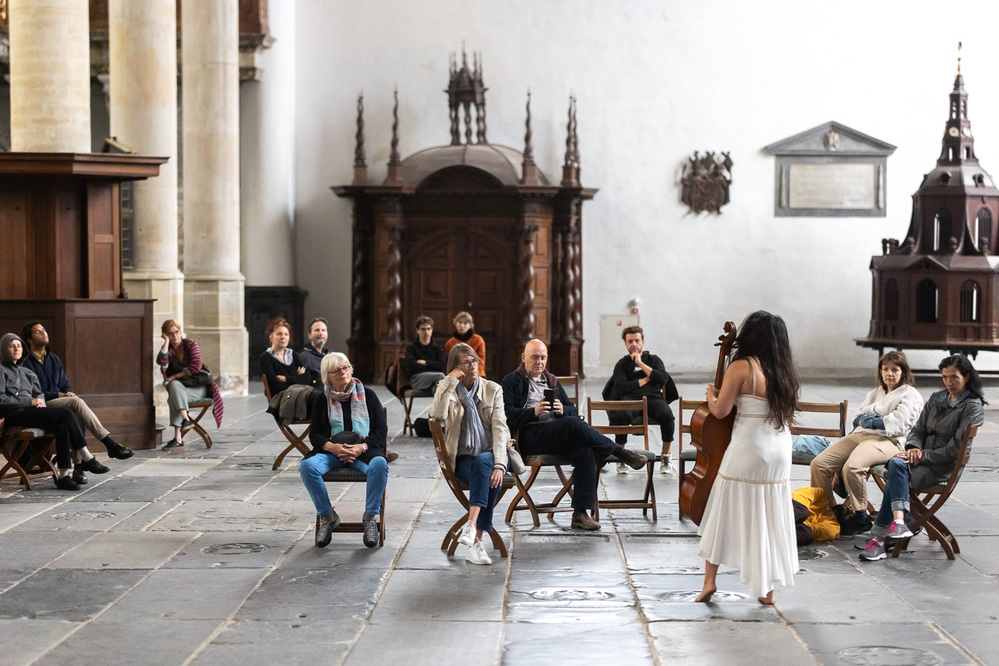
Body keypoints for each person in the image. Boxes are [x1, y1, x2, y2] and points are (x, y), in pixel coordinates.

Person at [696, 311, 800, 605]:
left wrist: (711, 394)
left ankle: (709, 581)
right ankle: (767, 591)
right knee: (769, 515)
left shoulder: (742, 367)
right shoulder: (784, 370)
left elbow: (720, 411)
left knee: (722, 509)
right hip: (780, 449)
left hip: (749, 447)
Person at [500, 339, 648, 531]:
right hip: (528, 436)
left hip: (556, 434)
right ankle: (620, 452)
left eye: (543, 357)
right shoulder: (511, 381)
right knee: (571, 424)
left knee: (586, 450)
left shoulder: (551, 380)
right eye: (534, 357)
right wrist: (533, 412)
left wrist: (563, 410)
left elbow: (573, 410)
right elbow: (506, 415)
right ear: (523, 357)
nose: (539, 362)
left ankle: (580, 514)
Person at [859, 355, 986, 562]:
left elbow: (954, 451)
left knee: (895, 475)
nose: (949, 382)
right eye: (944, 377)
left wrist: (922, 455)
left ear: (967, 376)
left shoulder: (972, 407)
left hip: (943, 466)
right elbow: (917, 430)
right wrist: (913, 448)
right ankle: (897, 525)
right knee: (896, 464)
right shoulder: (937, 398)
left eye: (954, 377)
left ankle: (880, 538)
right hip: (919, 460)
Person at [809, 351, 923, 536]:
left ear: (903, 372)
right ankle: (828, 512)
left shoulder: (910, 394)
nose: (889, 374)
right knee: (819, 464)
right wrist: (876, 419)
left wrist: (870, 420)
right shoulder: (875, 393)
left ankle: (860, 517)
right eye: (885, 369)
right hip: (861, 435)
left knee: (853, 467)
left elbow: (897, 424)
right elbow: (857, 418)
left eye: (895, 369)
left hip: (888, 440)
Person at [429, 343, 509, 564]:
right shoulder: (450, 390)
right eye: (466, 362)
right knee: (484, 473)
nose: (473, 365)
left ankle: (472, 528)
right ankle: (477, 542)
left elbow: (500, 429)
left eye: (475, 360)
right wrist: (449, 381)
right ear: (456, 367)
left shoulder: (493, 389)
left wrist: (500, 465)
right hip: (464, 458)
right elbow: (436, 413)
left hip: (494, 454)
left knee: (485, 463)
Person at [299, 352, 388, 549]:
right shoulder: (321, 399)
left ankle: (370, 518)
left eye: (346, 367)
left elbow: (381, 431)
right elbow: (315, 434)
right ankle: (328, 516)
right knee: (307, 466)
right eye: (337, 370)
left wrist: (361, 447)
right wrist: (333, 447)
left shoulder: (368, 395)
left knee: (380, 464)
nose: (343, 372)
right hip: (331, 452)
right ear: (327, 376)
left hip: (363, 451)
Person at [0, 333, 110, 490]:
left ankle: (64, 475)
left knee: (62, 427)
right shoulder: (1, 370)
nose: (16, 349)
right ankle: (86, 457)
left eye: (19, 346)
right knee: (66, 413)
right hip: (13, 415)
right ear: (5, 349)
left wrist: (40, 402)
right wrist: (31, 402)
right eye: (11, 346)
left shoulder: (28, 373)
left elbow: (39, 394)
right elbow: (2, 400)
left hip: (32, 412)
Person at [19, 322, 133, 472]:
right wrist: (59, 394)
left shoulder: (54, 359)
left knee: (76, 412)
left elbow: (64, 384)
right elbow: (33, 393)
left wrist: (68, 392)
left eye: (44, 330)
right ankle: (108, 443)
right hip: (42, 404)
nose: (43, 333)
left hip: (61, 402)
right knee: (76, 403)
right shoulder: (25, 363)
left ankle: (79, 466)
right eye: (38, 332)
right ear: (29, 340)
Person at [605, 325, 677, 475]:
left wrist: (640, 364)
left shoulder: (654, 359)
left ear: (643, 342)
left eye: (637, 340)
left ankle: (666, 455)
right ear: (625, 344)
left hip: (653, 398)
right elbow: (620, 387)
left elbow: (663, 378)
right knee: (621, 415)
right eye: (630, 341)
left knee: (668, 416)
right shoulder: (622, 364)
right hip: (630, 399)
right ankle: (622, 456)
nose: (634, 344)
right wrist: (646, 379)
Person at [157, 320, 224, 450]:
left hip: (199, 388)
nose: (175, 336)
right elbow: (162, 362)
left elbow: (196, 367)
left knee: (173, 391)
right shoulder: (169, 350)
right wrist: (166, 342)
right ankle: (184, 421)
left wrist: (175, 376)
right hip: (181, 390)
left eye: (176, 332)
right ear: (166, 335)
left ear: (180, 331)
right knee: (174, 389)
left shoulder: (190, 345)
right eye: (170, 334)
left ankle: (179, 436)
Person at [259, 318, 317, 424]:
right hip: (283, 399)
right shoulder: (265, 357)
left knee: (324, 397)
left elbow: (307, 378)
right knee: (319, 399)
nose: (283, 337)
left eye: (286, 334)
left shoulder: (293, 354)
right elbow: (275, 385)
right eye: (279, 334)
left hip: (301, 393)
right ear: (271, 336)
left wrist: (286, 378)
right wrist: (297, 377)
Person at [405, 315, 446, 392]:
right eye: (423, 329)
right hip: (417, 379)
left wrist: (425, 363)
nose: (426, 332)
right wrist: (433, 365)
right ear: (417, 330)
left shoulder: (438, 349)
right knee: (440, 377)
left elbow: (442, 366)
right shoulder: (411, 349)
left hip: (436, 380)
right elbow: (411, 367)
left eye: (428, 329)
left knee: (438, 387)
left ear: (432, 330)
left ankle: (438, 398)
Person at [443, 312, 487, 377]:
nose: (462, 325)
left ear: (470, 325)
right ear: (455, 323)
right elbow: (450, 363)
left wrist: (475, 374)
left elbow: (481, 361)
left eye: (465, 323)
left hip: (475, 373)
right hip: (457, 375)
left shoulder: (478, 340)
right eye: (460, 322)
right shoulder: (450, 343)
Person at [300, 317, 330, 387]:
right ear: (309, 335)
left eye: (323, 330)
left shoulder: (328, 357)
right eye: (317, 330)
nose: (321, 333)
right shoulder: (304, 357)